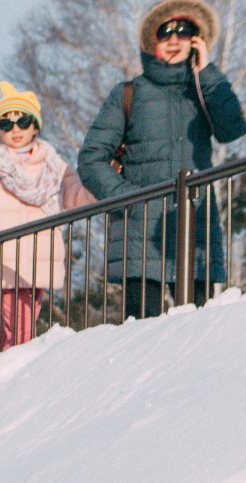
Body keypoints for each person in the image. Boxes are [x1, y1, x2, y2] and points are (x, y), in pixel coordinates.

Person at [76, 2, 246, 318]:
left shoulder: (204, 90)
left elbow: (233, 127)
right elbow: (91, 159)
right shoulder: (127, 93)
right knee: (142, 336)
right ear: (152, 41)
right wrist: (129, 200)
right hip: (139, 237)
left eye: (186, 31)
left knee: (198, 333)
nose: (175, 38)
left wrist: (206, 71)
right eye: (165, 31)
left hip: (196, 232)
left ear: (197, 41)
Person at [0, 84, 94, 351]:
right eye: (6, 124)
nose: (16, 129)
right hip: (4, 258)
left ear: (35, 127)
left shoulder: (55, 166)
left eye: (23, 120)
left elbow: (74, 196)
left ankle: (4, 366)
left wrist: (101, 183)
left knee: (23, 323)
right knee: (18, 324)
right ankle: (14, 370)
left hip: (40, 256)